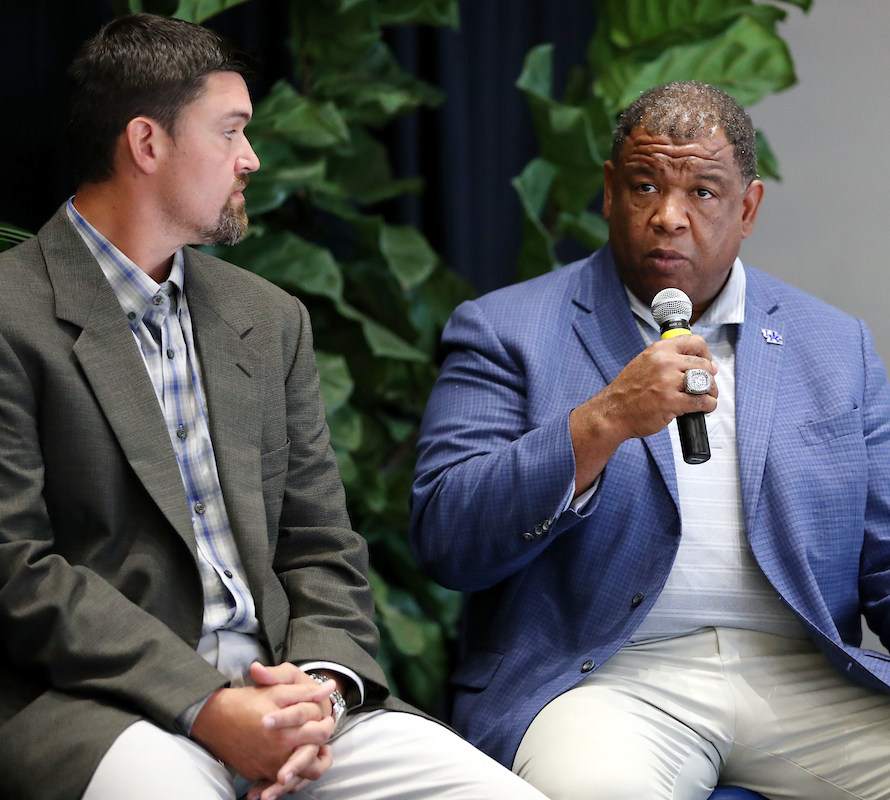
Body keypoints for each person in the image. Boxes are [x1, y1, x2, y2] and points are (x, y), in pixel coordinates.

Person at [409, 82, 890, 800]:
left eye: (703, 192)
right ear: (609, 192)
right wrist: (601, 421)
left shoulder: (835, 346)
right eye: (645, 185)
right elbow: (448, 537)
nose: (669, 216)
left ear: (748, 208)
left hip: (804, 678)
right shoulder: (505, 330)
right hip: (603, 678)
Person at [0, 14, 549, 800]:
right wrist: (208, 705)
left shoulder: (267, 317)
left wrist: (320, 691)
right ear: (147, 143)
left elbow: (320, 544)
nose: (251, 157)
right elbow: (17, 571)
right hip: (102, 705)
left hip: (291, 697)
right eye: (230, 131)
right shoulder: (12, 312)